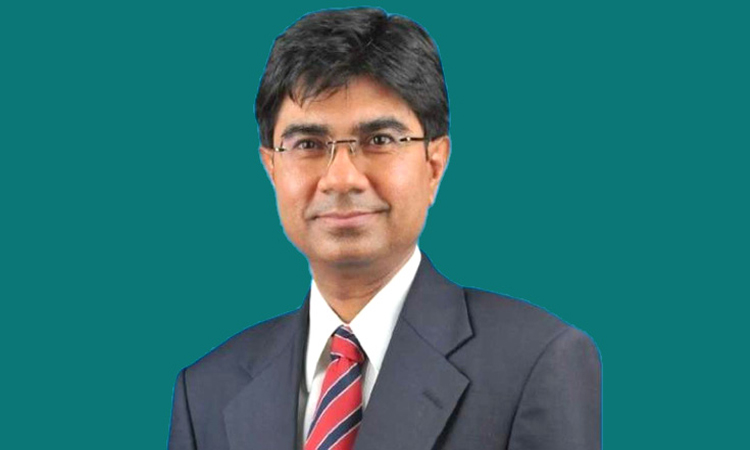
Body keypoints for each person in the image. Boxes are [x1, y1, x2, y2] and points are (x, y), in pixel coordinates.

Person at [168, 7, 601, 450]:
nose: (341, 179)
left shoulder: (537, 363)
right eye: (309, 144)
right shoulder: (206, 393)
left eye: (379, 140)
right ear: (271, 167)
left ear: (434, 163)